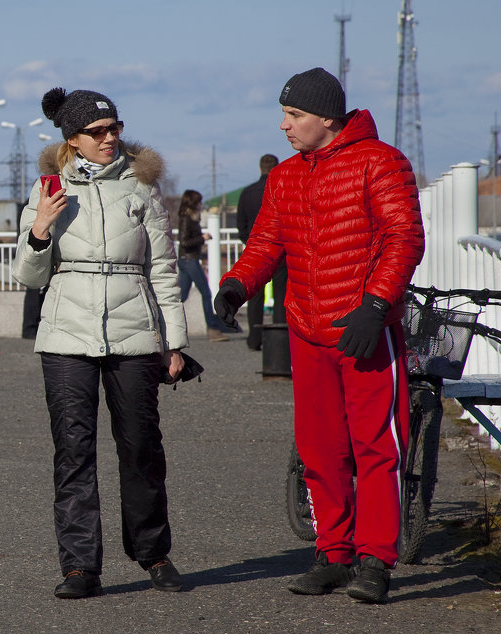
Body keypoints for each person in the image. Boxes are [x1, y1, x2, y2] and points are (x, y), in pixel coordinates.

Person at [213, 67, 424, 604]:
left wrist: (375, 306)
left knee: (376, 447)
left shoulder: (382, 162)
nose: (284, 125)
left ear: (327, 118)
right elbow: (266, 242)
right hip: (308, 331)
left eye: (294, 115)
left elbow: (405, 237)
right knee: (318, 449)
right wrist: (237, 283)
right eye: (284, 114)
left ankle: (376, 559)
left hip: (363, 333)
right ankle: (333, 554)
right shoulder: (285, 176)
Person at [12, 87, 189, 600]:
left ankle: (153, 553)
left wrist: (173, 344)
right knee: (73, 452)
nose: (111, 138)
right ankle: (79, 567)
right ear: (73, 139)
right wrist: (40, 228)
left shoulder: (140, 186)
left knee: (141, 447)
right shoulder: (48, 187)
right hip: (66, 334)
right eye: (98, 132)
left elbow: (163, 269)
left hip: (135, 331)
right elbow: (28, 276)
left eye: (115, 129)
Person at [236, 154, 287, 351]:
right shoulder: (283, 189)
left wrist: (251, 243)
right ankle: (280, 340)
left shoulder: (247, 193)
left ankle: (254, 338)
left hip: (255, 249)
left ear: (260, 168)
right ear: (276, 168)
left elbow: (241, 225)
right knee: (281, 292)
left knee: (255, 294)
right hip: (282, 250)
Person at [176, 190, 231, 342]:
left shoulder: (189, 217)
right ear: (193, 203)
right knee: (206, 293)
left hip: (187, 260)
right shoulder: (187, 218)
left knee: (182, 296)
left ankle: (169, 325)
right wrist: (202, 238)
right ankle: (212, 329)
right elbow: (184, 242)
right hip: (189, 261)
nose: (201, 204)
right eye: (198, 202)